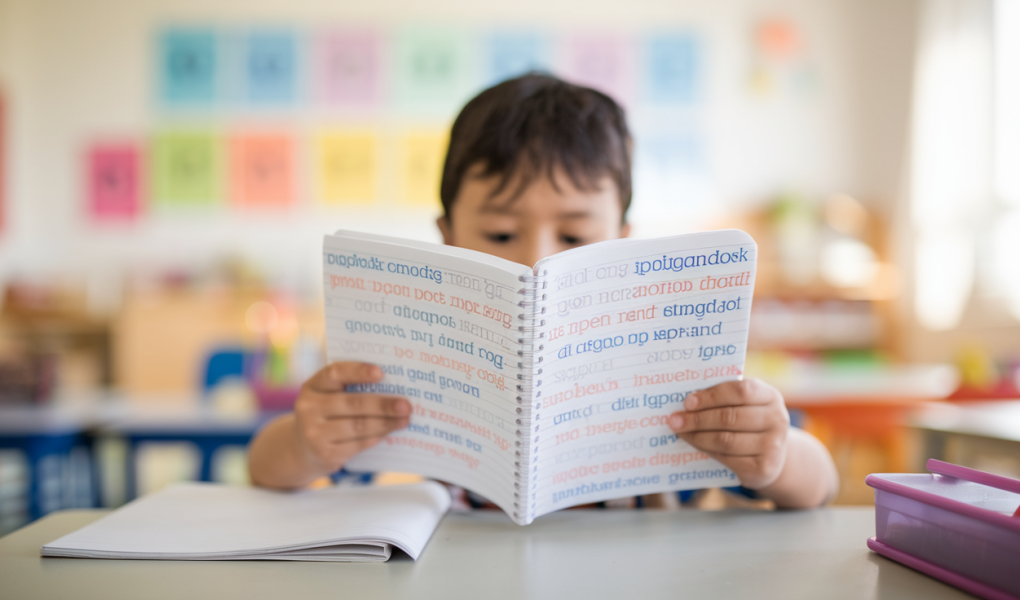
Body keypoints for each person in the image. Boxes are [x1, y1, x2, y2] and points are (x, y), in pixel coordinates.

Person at [248, 73, 839, 509]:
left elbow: (820, 483)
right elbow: (266, 468)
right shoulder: (403, 359)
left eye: (576, 234)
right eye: (502, 232)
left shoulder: (667, 363)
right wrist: (304, 444)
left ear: (622, 242)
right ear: (447, 236)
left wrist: (777, 454)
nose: (536, 263)